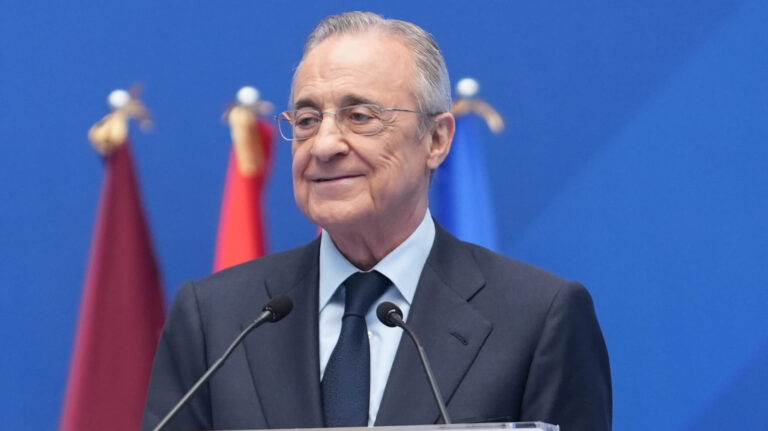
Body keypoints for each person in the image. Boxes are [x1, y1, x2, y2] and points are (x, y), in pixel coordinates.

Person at [142, 11, 612, 431]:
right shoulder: (216, 319)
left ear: (436, 140)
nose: (324, 145)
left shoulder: (538, 319)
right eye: (306, 120)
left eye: (360, 116)